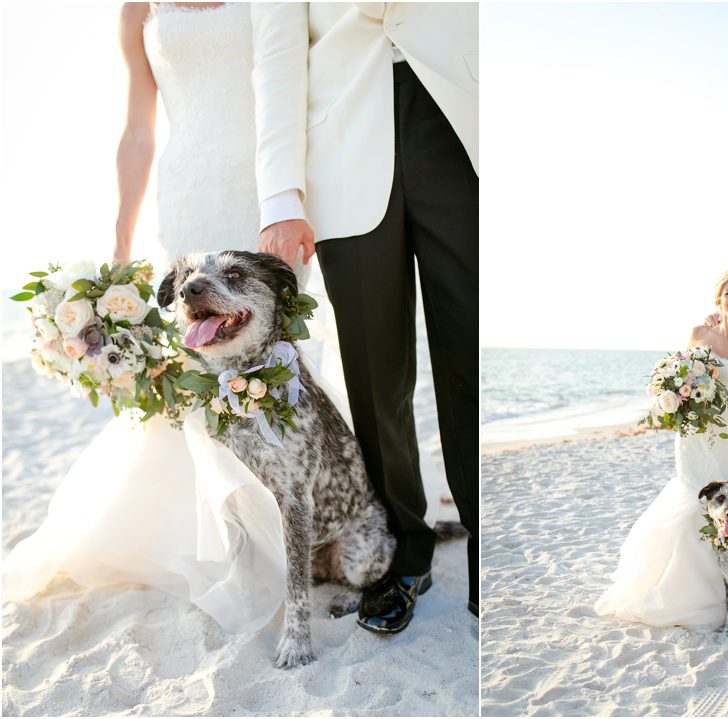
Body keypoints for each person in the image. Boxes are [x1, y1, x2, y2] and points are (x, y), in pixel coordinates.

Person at [4, 2, 309, 633]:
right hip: (191, 186)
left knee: (273, 348)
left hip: (267, 184)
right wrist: (121, 242)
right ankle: (217, 535)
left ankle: (290, 513)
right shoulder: (138, 9)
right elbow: (138, 130)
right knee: (196, 359)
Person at [249, 3, 479, 632]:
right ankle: (406, 547)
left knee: (472, 352)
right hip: (343, 150)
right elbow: (275, 60)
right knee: (376, 374)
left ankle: (490, 543)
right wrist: (280, 195)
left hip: (461, 122)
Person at [594, 270, 728, 627]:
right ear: (718, 298)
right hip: (695, 440)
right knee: (693, 506)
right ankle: (689, 598)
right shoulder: (699, 334)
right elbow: (685, 382)